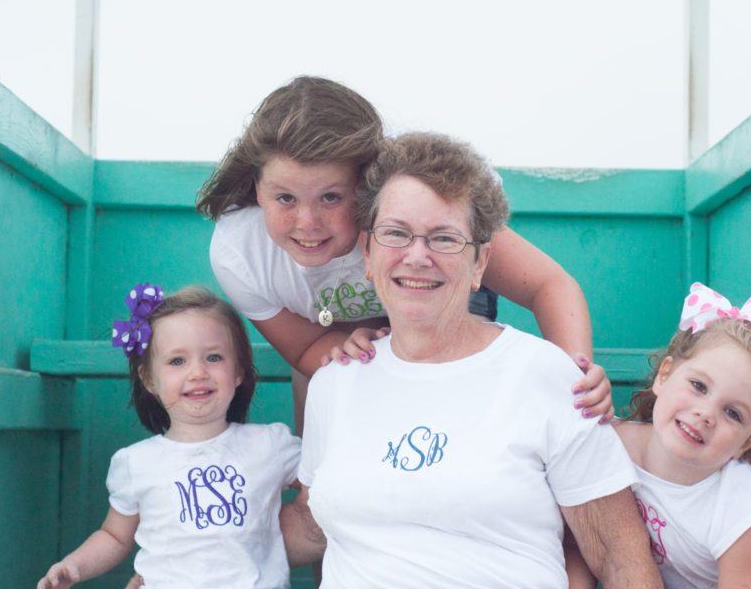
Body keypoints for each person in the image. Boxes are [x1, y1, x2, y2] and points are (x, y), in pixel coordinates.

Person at [293, 132, 662, 587]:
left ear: (481, 262)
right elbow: (310, 528)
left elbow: (618, 555)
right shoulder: (336, 382)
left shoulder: (547, 376)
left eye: (444, 238)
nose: (417, 256)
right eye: (395, 233)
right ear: (368, 252)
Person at [196, 76, 613, 433]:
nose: (308, 222)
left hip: (443, 301)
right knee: (323, 388)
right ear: (256, 188)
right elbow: (306, 350)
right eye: (285, 197)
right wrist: (344, 346)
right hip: (342, 331)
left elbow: (548, 285)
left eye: (331, 197)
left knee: (450, 394)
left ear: (367, 190)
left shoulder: (417, 204)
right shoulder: (240, 252)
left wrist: (575, 386)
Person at [37, 284, 302, 589]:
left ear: (239, 370)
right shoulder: (136, 462)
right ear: (149, 378)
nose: (197, 373)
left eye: (213, 357)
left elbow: (328, 486)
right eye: (177, 361)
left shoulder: (270, 446)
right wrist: (73, 565)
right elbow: (114, 536)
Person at [571, 282, 751, 589]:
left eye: (733, 413)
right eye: (699, 386)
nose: (706, 414)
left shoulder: (737, 501)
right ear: (664, 376)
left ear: (746, 443)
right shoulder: (607, 444)